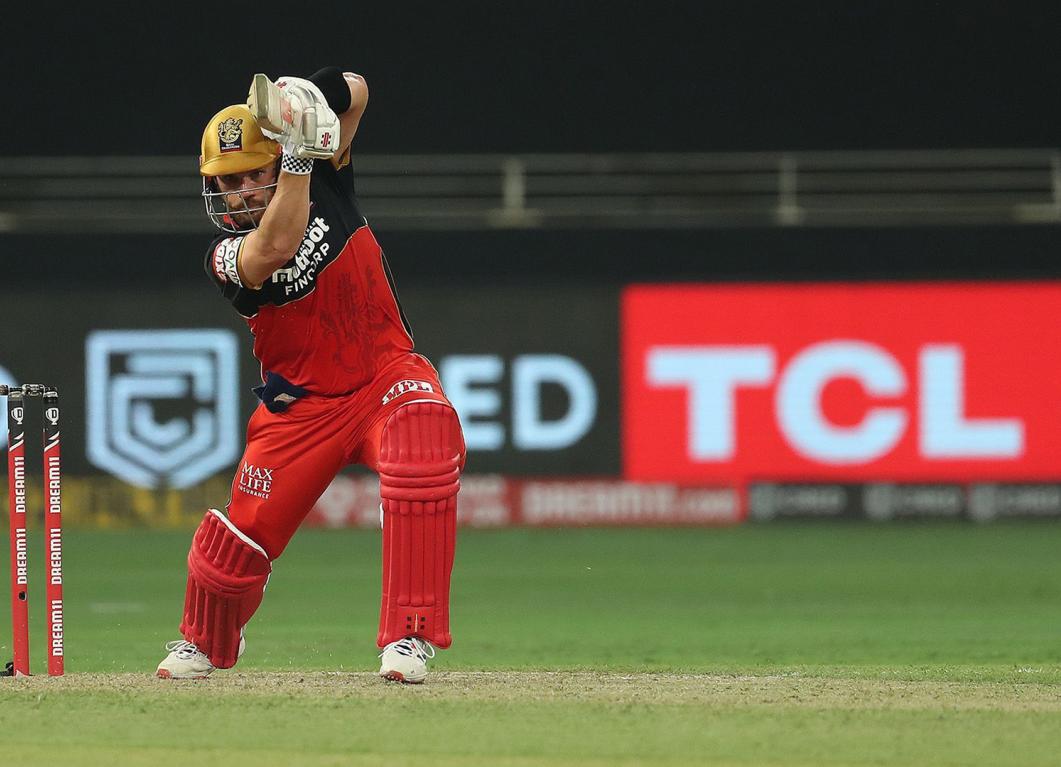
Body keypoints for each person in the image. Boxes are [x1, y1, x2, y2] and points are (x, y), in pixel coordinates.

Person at [155, 68, 465, 684]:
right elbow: (277, 244)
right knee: (232, 554)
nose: (240, 191)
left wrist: (304, 100)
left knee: (423, 436)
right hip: (300, 409)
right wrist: (296, 157)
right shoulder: (226, 258)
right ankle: (206, 641)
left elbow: (359, 87)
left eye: (251, 174)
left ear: (274, 162)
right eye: (227, 181)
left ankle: (409, 638)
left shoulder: (323, 173)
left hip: (385, 379)